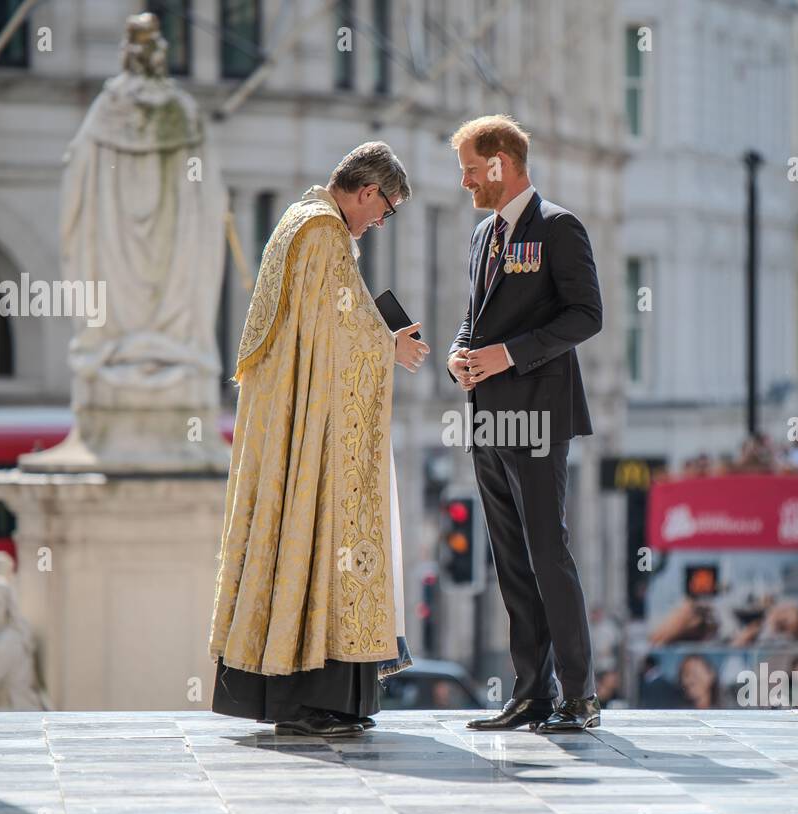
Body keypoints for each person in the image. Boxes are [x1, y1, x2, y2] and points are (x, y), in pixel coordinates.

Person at [208, 142, 428, 738]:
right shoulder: (325, 233)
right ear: (366, 191)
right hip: (315, 431)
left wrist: (375, 333)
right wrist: (393, 346)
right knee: (320, 533)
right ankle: (307, 697)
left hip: (293, 417)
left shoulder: (296, 221)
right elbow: (344, 333)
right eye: (385, 210)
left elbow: (326, 324)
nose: (380, 222)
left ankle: (300, 695)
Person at [445, 115, 604, 732]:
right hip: (487, 416)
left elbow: (586, 316)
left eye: (468, 168)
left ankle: (579, 696)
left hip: (539, 414)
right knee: (510, 558)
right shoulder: (483, 235)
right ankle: (531, 693)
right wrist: (464, 354)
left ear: (500, 164)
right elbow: (473, 318)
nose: (464, 181)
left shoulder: (560, 228)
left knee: (547, 552)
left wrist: (507, 355)